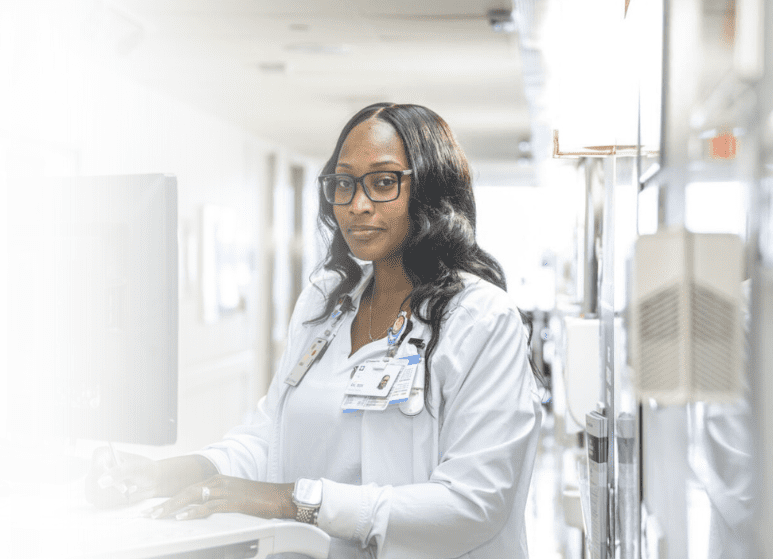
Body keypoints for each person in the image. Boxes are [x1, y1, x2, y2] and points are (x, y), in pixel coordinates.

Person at [85, 102, 544, 559]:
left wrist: (294, 501)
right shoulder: (327, 303)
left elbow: (473, 504)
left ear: (430, 190)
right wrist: (170, 474)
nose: (357, 205)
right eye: (343, 183)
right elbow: (272, 438)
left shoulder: (481, 318)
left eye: (383, 182)